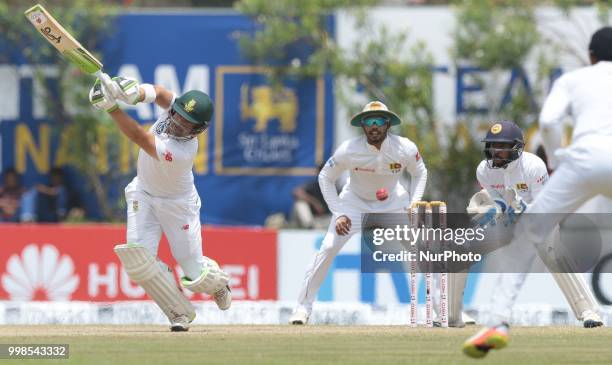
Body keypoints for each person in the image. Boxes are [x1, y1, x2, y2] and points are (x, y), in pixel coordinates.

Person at [463, 27, 612, 358]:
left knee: (541, 243)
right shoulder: (484, 170)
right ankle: (465, 316)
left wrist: (558, 159)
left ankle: (499, 320)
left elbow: (548, 122)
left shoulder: (573, 81)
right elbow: (498, 201)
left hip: (583, 160)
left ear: (590, 56)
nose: (499, 152)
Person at [89, 74, 231, 331]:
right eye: (176, 115)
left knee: (195, 273)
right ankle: (178, 313)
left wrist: (111, 107)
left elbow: (139, 138)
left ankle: (218, 284)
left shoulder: (181, 152)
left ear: (197, 129)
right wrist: (132, 92)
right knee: (138, 260)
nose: (177, 123)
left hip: (178, 206)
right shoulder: (175, 109)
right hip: (143, 194)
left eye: (186, 123)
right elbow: (161, 93)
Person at [289, 101, 428, 324]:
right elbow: (325, 177)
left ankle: (449, 309)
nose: (374, 126)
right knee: (327, 248)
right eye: (369, 121)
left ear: (388, 124)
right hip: (354, 204)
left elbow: (420, 173)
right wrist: (339, 212)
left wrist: (414, 204)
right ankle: (302, 308)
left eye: (379, 121)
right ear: (362, 125)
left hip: (392, 202)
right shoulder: (349, 149)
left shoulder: (405, 148)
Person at [291, 163, 332, 229]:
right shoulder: (314, 185)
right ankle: (309, 227)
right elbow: (296, 192)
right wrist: (315, 203)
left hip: (327, 221)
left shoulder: (335, 186)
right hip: (313, 221)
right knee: (300, 204)